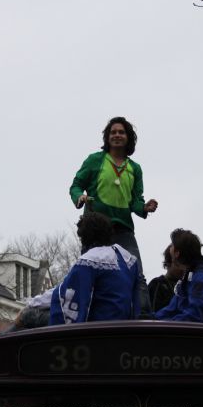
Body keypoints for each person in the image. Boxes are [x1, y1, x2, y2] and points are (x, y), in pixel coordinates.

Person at [70, 116, 158, 311]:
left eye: (121, 132)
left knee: (136, 273)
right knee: (89, 272)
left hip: (123, 229)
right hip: (96, 229)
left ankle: (143, 316)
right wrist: (79, 197)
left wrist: (144, 208)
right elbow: (76, 185)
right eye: (113, 132)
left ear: (128, 137)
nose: (117, 135)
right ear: (107, 137)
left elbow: (135, 201)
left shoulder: (135, 168)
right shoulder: (95, 160)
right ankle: (85, 313)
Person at [50, 212, 140, 325]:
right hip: (125, 327)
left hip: (97, 329)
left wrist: (32, 303)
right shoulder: (127, 259)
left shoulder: (89, 261)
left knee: (34, 316)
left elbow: (68, 294)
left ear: (85, 237)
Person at [155, 228, 203, 325]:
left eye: (172, 245)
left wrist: (163, 325)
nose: (169, 248)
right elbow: (172, 309)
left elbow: (193, 316)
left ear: (177, 253)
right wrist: (151, 319)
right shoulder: (189, 277)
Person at [147, 245, 185, 312]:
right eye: (178, 264)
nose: (182, 268)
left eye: (184, 264)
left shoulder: (187, 286)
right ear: (168, 263)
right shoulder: (157, 285)